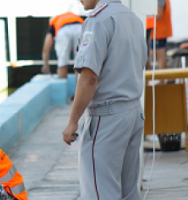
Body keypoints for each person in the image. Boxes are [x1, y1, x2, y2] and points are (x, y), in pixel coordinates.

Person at [62, 0, 147, 200]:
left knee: (100, 192)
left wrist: (73, 120)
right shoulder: (132, 18)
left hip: (107, 116)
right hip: (133, 111)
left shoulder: (98, 20)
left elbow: (89, 78)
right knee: (128, 192)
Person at [41, 11, 84, 79]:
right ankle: (81, 89)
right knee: (80, 62)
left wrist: (45, 65)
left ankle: (62, 85)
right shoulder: (74, 16)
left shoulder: (54, 21)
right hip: (80, 28)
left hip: (63, 30)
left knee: (62, 63)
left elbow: (46, 47)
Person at [146, 0, 172, 74]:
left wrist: (144, 20)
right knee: (152, 54)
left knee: (159, 55)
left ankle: (162, 81)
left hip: (159, 31)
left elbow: (159, 13)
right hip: (154, 30)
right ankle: (165, 79)